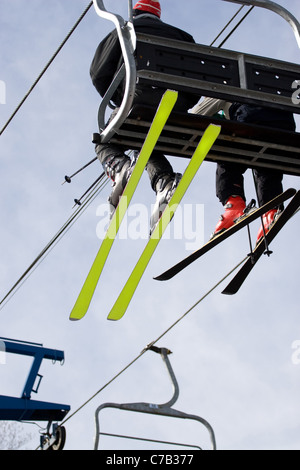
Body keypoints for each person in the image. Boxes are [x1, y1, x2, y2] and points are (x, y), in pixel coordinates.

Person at [90, 0, 200, 234]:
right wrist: (182, 104)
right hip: (176, 111)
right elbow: (198, 84)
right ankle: (163, 181)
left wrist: (118, 98)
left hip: (138, 102)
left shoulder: (125, 29)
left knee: (104, 141)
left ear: (135, 11)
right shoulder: (183, 37)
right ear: (158, 16)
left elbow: (99, 73)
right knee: (145, 140)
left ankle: (119, 166)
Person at [193, 98, 296, 242]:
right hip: (285, 125)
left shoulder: (228, 80)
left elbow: (197, 114)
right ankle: (270, 212)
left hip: (251, 119)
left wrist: (220, 116)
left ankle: (233, 204)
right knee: (268, 165)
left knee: (226, 153)